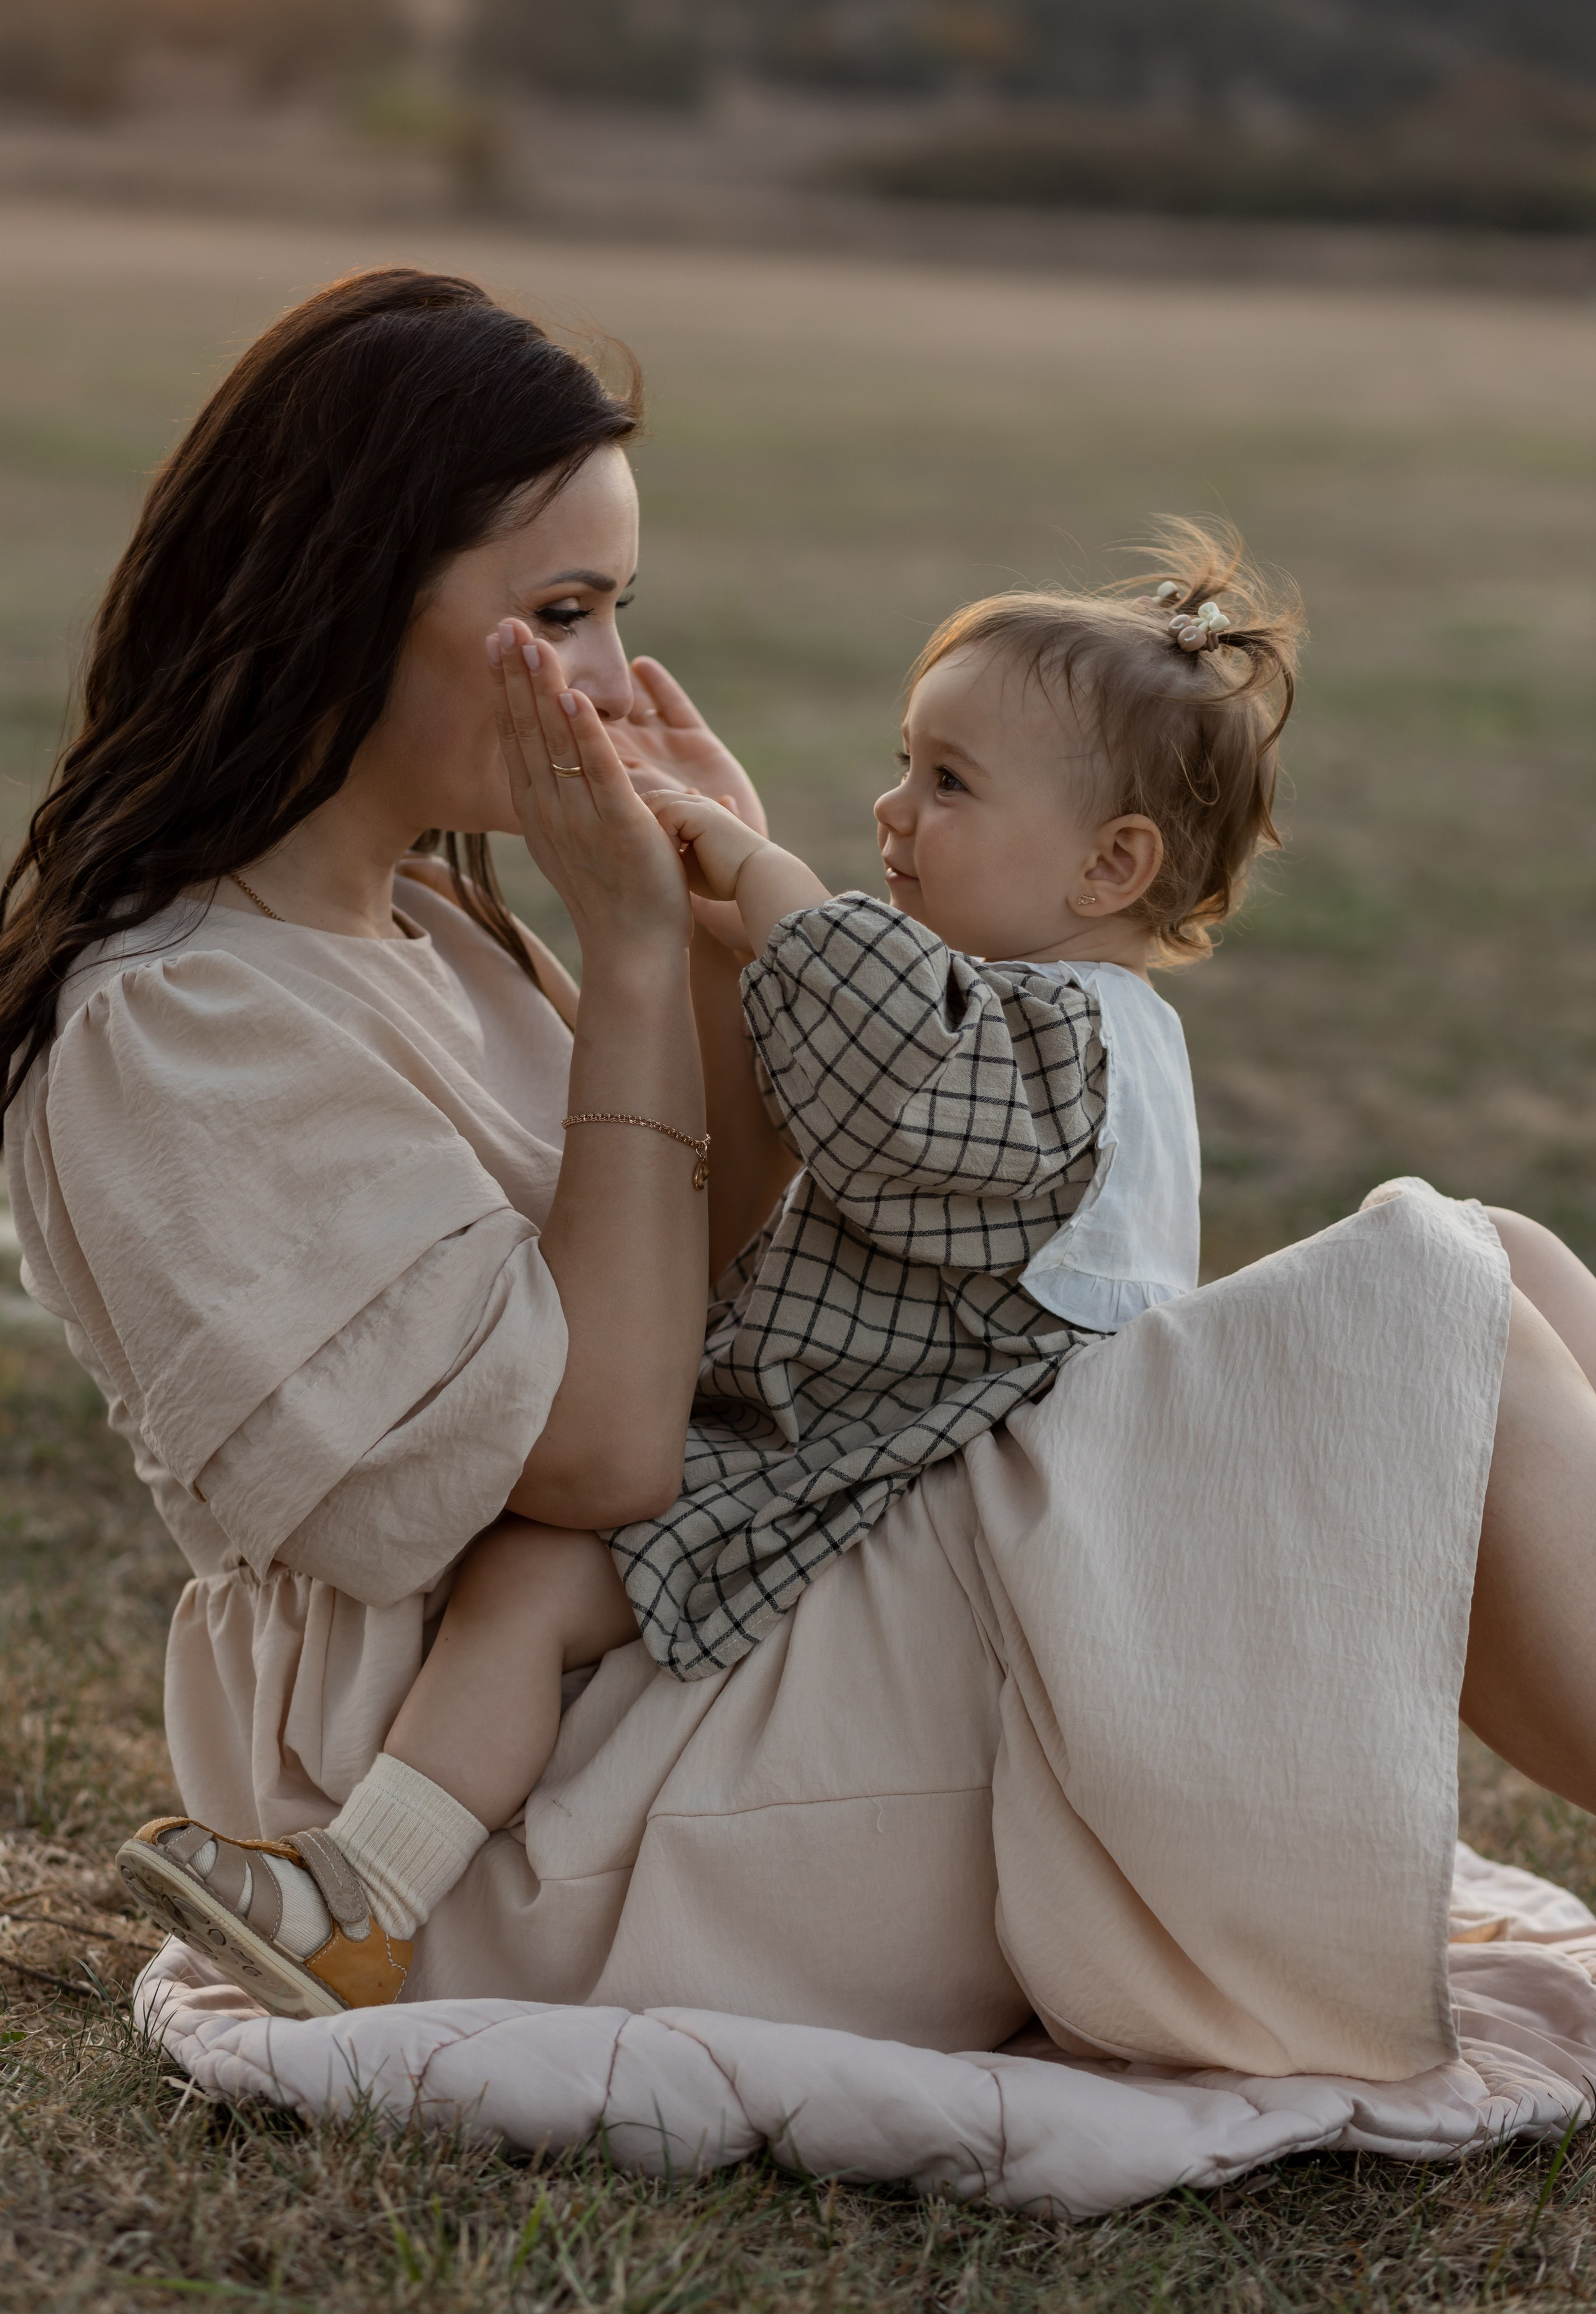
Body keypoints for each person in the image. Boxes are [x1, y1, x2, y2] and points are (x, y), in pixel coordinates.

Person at [11, 266, 1596, 2081]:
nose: (605, 679)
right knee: (1428, 1299)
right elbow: (602, 1452)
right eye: (562, 611)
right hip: (521, 1815)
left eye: (618, 612)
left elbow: (702, 1291)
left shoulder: (443, 934)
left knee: (1505, 1271)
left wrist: (698, 946)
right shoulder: (188, 1021)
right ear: (347, 603)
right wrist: (629, 963)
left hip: (708, 1633)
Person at [111, 526, 1299, 2020]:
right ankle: (362, 1891)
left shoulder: (1060, 1039)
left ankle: (366, 1889)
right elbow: (778, 1165)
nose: (891, 808)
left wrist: (756, 867)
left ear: (1110, 863)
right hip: (866, 1473)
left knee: (532, 1583)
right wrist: (723, 946)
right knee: (534, 1582)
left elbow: (886, 1072)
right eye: (903, 761)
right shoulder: (1020, 1020)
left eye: (949, 783)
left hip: (908, 1501)